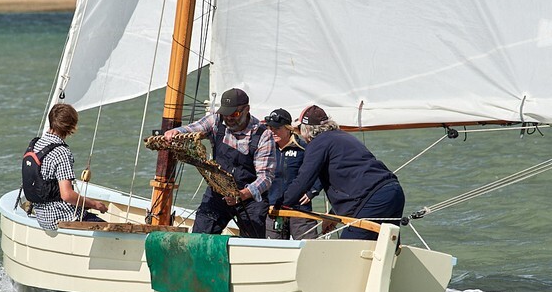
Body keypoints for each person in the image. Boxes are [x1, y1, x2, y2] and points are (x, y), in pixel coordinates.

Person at [279, 105, 405, 241]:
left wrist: (282, 204)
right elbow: (352, 173)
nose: (299, 135)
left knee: (348, 250)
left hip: (372, 199)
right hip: (393, 191)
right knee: (387, 248)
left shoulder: (317, 143)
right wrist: (333, 215)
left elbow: (304, 179)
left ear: (307, 130)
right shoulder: (344, 137)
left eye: (299, 130)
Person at [163, 88, 275, 238]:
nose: (228, 118)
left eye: (234, 114)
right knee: (200, 236)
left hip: (249, 197)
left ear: (246, 110)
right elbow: (194, 128)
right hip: (218, 192)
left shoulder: (263, 135)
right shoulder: (216, 120)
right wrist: (176, 132)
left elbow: (265, 178)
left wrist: (242, 195)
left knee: (252, 244)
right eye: (225, 113)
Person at [24, 103, 107, 231]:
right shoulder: (61, 152)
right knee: (107, 227)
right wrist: (95, 205)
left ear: (51, 121)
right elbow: (67, 195)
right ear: (71, 126)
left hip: (42, 216)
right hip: (61, 217)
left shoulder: (36, 144)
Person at [263, 108, 322, 240]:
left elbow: (320, 170)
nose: (273, 132)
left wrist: (313, 191)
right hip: (273, 208)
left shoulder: (303, 148)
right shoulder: (265, 148)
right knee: (273, 252)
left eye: (277, 128)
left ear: (288, 128)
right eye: (270, 128)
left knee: (309, 249)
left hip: (300, 209)